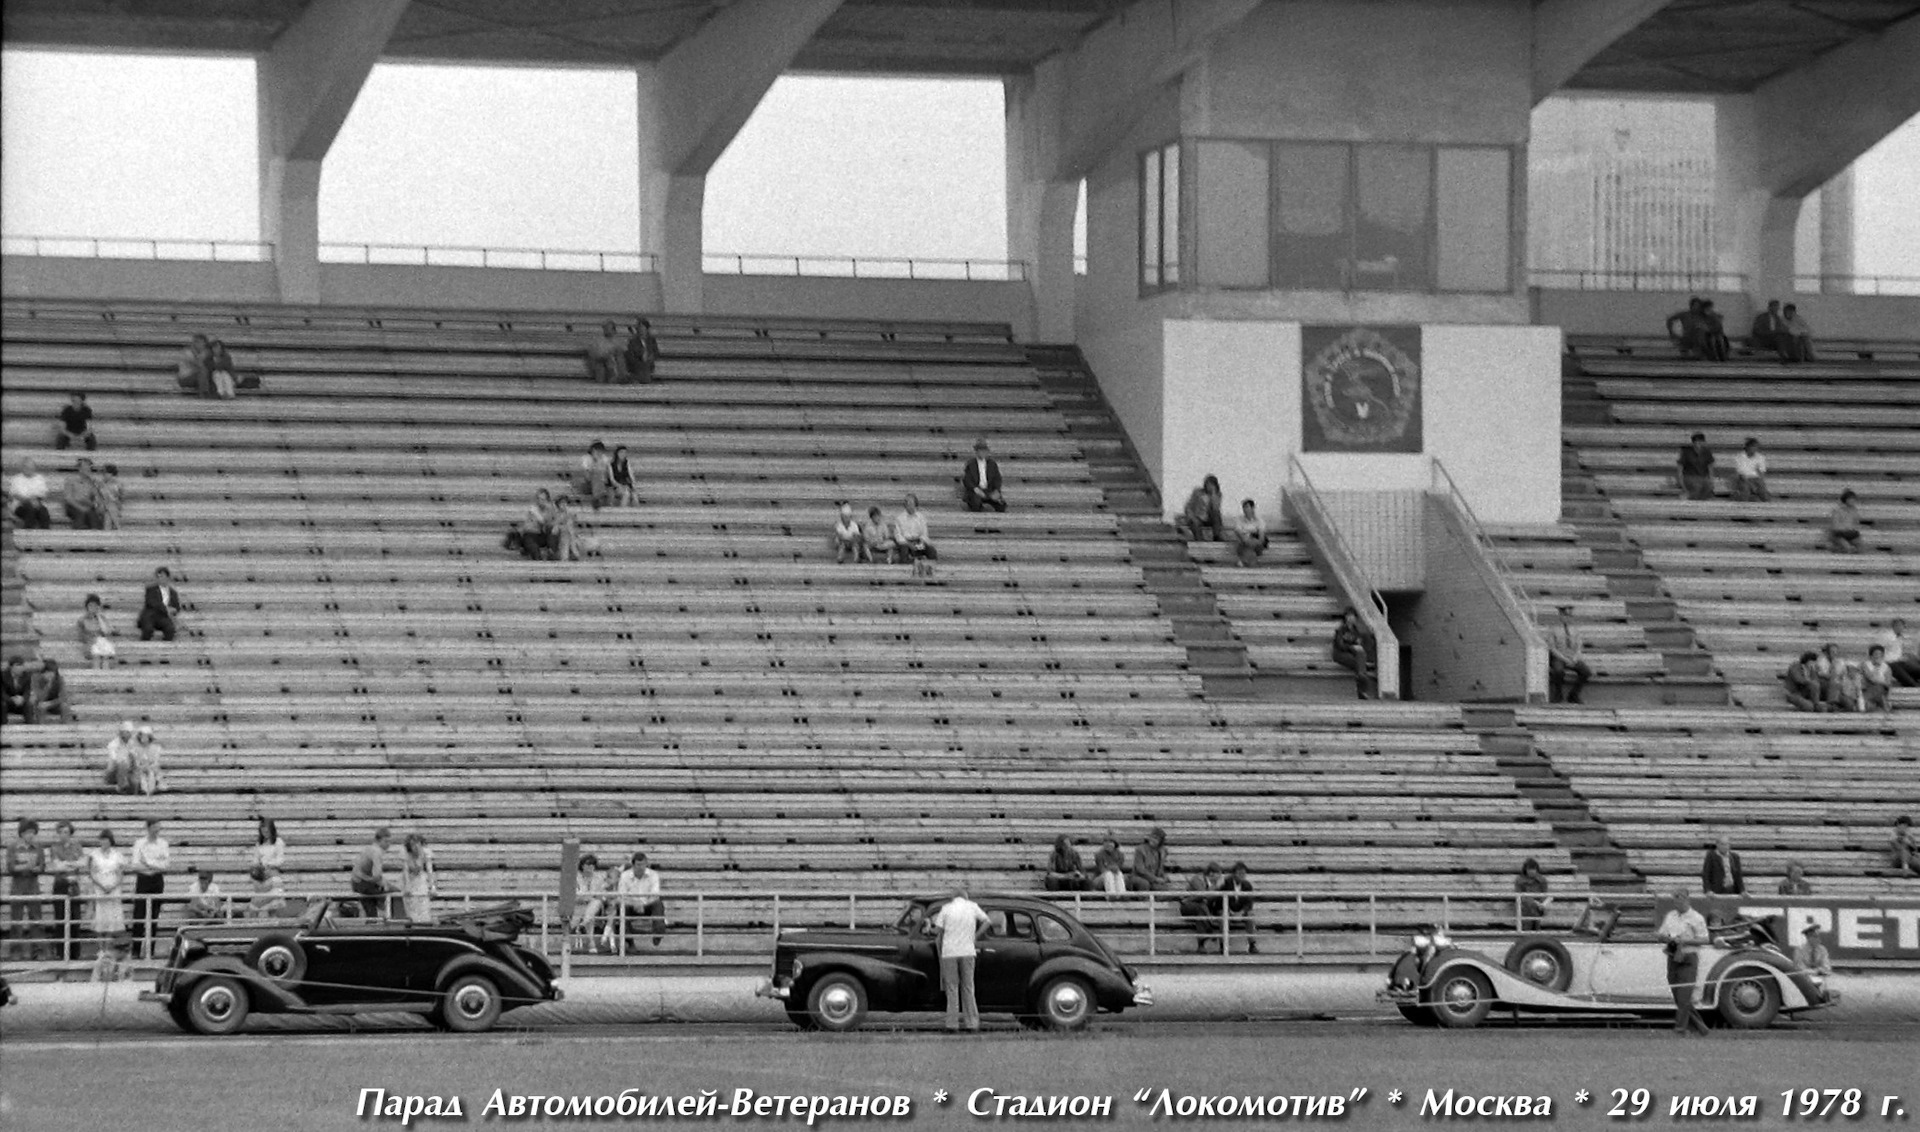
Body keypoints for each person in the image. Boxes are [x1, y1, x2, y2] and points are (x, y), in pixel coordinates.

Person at [926, 884, 988, 1032]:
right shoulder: (972, 906)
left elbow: (938, 931)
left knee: (952, 988)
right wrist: (974, 937)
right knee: (968, 987)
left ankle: (952, 1024)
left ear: (953, 897)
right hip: (967, 951)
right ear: (965, 897)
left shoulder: (946, 908)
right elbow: (987, 921)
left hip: (950, 952)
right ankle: (972, 1023)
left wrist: (929, 926)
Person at [1656, 888, 1712, 1036]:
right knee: (1678, 995)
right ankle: (1701, 1028)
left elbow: (1705, 939)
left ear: (1687, 899)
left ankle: (1680, 1029)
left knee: (1684, 995)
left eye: (1680, 898)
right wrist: (1667, 938)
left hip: (1688, 956)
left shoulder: (1696, 918)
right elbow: (1660, 934)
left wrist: (1686, 940)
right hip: (1673, 955)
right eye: (1675, 898)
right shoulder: (1670, 916)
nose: (1677, 901)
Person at [128, 818, 170, 959]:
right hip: (143, 880)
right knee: (139, 916)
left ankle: (150, 951)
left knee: (154, 917)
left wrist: (148, 863)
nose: (158, 829)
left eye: (158, 826)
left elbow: (166, 865)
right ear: (149, 827)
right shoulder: (139, 843)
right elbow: (135, 865)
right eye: (155, 826)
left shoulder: (163, 843)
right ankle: (135, 950)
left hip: (157, 880)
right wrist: (154, 865)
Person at [5, 819, 45, 961]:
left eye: (33, 833)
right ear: (21, 833)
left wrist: (36, 868)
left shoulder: (38, 847)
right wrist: (26, 866)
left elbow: (42, 867)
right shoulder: (13, 847)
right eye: (28, 832)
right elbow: (10, 868)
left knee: (36, 920)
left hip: (33, 886)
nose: (30, 835)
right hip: (17, 887)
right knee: (16, 921)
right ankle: (15, 951)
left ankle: (38, 951)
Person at [85, 829, 128, 956]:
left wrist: (113, 886)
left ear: (111, 841)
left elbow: (120, 874)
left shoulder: (117, 855)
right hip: (99, 888)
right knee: (100, 918)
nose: (104, 842)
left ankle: (108, 948)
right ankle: (100, 948)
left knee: (111, 919)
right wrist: (102, 886)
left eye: (106, 839)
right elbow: (91, 873)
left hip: (113, 889)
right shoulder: (94, 854)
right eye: (102, 839)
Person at [45, 821, 84, 960]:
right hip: (60, 884)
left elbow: (82, 863)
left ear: (70, 833)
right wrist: (72, 864)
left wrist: (66, 864)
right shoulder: (54, 847)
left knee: (75, 919)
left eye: (66, 832)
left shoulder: (77, 846)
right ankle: (61, 953)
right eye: (61, 832)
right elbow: (56, 866)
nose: (63, 835)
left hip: (74, 884)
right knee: (61, 919)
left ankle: (75, 953)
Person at [615, 852, 665, 951]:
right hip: (630, 905)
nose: (641, 867)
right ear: (633, 865)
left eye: (643, 864)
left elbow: (655, 895)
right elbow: (621, 895)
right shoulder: (625, 876)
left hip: (648, 905)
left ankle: (658, 932)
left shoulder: (653, 875)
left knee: (658, 904)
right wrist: (635, 904)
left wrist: (642, 904)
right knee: (620, 908)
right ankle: (630, 942)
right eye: (638, 865)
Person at [1330, 607, 1378, 699]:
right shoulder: (1341, 630)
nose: (1351, 618)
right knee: (1360, 662)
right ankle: (1362, 688)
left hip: (1353, 656)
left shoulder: (1357, 632)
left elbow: (1362, 643)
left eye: (1353, 616)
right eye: (1349, 616)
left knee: (1360, 660)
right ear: (1345, 617)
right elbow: (1340, 645)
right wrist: (1352, 647)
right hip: (1340, 654)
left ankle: (1361, 679)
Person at [1547, 606, 1591, 706]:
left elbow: (1579, 646)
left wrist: (1575, 657)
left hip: (1572, 657)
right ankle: (1557, 694)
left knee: (1586, 672)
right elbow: (1552, 648)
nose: (1566, 618)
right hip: (1559, 657)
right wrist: (1564, 659)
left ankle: (1574, 694)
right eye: (1564, 616)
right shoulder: (1553, 629)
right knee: (1558, 671)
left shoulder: (1575, 630)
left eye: (1568, 616)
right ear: (1560, 616)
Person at [1181, 862, 1227, 952]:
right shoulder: (1197, 879)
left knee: (1202, 914)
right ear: (1211, 874)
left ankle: (1203, 943)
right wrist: (1216, 888)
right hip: (1188, 906)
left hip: (1204, 909)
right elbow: (1202, 894)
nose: (1220, 878)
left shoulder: (1214, 885)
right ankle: (1210, 928)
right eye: (1219, 875)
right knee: (1201, 907)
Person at [350, 828, 395, 918]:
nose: (388, 845)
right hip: (364, 884)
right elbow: (377, 876)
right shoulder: (377, 852)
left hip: (357, 883)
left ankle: (376, 914)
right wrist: (386, 885)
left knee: (371, 911)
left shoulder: (368, 849)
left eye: (390, 842)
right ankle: (387, 913)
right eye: (386, 842)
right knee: (395, 893)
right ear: (379, 841)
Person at [138, 567, 184, 642]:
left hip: (163, 617)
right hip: (150, 616)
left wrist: (174, 610)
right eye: (158, 577)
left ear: (168, 578)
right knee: (148, 629)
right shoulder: (150, 589)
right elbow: (152, 602)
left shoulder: (173, 593)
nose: (160, 579)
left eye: (162, 576)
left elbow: (177, 607)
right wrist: (166, 609)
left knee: (170, 630)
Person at [572, 853, 608, 950]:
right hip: (578, 906)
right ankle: (590, 942)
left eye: (592, 865)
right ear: (582, 865)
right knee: (590, 914)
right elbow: (575, 895)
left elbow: (602, 895)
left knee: (595, 903)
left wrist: (590, 898)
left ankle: (583, 925)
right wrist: (589, 898)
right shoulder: (575, 878)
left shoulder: (599, 878)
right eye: (587, 864)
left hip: (596, 908)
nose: (590, 867)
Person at [892, 495, 937, 572]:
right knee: (904, 551)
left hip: (918, 540)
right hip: (905, 542)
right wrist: (908, 544)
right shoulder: (899, 518)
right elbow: (898, 535)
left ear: (915, 505)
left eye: (911, 504)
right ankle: (903, 576)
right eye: (907, 504)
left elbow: (924, 533)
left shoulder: (921, 517)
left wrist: (921, 542)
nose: (909, 506)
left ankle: (931, 575)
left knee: (932, 551)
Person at [959, 439, 1005, 513]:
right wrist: (976, 489)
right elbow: (967, 480)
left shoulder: (992, 464)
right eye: (981, 450)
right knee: (975, 502)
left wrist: (996, 490)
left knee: (1001, 505)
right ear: (976, 452)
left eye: (985, 451)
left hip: (988, 490)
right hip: (976, 491)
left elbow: (997, 478)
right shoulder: (971, 464)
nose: (983, 453)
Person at [511, 489, 558, 559]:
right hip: (531, 534)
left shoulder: (550, 509)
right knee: (533, 548)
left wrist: (554, 524)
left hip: (543, 535)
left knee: (552, 530)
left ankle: (552, 553)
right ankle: (531, 552)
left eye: (543, 499)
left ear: (547, 500)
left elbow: (553, 521)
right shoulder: (533, 509)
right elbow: (539, 522)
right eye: (538, 499)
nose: (540, 501)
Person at [8, 459, 53, 530]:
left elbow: (44, 494)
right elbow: (15, 494)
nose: (29, 469)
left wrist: (35, 500)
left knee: (43, 511)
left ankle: (45, 533)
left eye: (31, 467)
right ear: (22, 468)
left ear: (34, 468)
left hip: (37, 503)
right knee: (30, 509)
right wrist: (29, 501)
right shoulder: (16, 479)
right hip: (20, 505)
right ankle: (28, 533)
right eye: (26, 467)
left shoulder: (40, 478)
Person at [401, 833, 437, 923]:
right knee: (411, 905)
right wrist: (407, 886)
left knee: (423, 903)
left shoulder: (426, 852)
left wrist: (432, 886)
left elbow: (429, 870)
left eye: (417, 844)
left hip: (420, 878)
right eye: (413, 845)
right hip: (409, 879)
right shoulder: (406, 853)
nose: (415, 847)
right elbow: (405, 870)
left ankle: (424, 922)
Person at [1222, 862, 1257, 952]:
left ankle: (1252, 944)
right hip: (1228, 910)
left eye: (1244, 873)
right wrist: (1229, 911)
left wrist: (1242, 912)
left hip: (1241, 911)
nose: (1242, 876)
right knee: (1223, 916)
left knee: (1250, 916)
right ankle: (1224, 944)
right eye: (1240, 873)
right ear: (1234, 874)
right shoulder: (1226, 884)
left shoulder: (1247, 885)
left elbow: (1249, 903)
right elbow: (1220, 900)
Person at [1876, 619, 1920, 688]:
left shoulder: (1900, 638)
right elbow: (1877, 649)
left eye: (1903, 627)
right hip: (1890, 664)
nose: (1902, 629)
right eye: (1900, 626)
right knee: (1911, 683)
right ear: (1894, 626)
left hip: (1900, 662)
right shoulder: (1887, 636)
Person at [1179, 476, 1224, 542]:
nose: (1209, 486)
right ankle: (1199, 540)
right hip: (1197, 516)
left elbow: (1215, 508)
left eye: (1211, 485)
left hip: (1208, 517)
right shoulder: (1197, 492)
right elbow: (1188, 506)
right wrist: (1192, 517)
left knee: (1216, 515)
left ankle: (1216, 536)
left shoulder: (1218, 495)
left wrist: (1213, 494)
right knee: (1195, 524)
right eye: (1208, 484)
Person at [60, 459, 103, 529]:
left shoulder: (92, 482)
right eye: (86, 467)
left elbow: (97, 498)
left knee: (93, 516)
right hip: (72, 505)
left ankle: (96, 531)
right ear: (80, 469)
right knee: (80, 513)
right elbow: (68, 499)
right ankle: (79, 531)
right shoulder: (70, 480)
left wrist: (94, 504)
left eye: (89, 467)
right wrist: (81, 507)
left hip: (87, 505)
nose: (88, 469)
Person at [78, 594, 116, 669]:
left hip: (102, 644)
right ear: (87, 607)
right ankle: (96, 672)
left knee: (105, 655)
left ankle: (105, 674)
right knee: (97, 654)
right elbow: (81, 636)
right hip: (90, 644)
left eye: (95, 606)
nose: (93, 608)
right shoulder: (82, 620)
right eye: (90, 606)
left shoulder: (101, 618)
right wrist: (91, 640)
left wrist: (99, 618)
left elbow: (106, 631)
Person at [1128, 827, 1171, 891]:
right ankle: (1144, 900)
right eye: (1152, 837)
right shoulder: (1140, 849)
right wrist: (1155, 879)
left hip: (1154, 879)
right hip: (1139, 877)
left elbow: (1160, 868)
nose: (1153, 840)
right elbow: (1140, 869)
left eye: (1156, 839)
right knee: (1144, 884)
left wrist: (1163, 877)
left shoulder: (1162, 851)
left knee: (1166, 888)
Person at [1515, 857, 1551, 931]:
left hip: (1539, 907)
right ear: (1525, 870)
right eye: (1529, 869)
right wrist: (1534, 903)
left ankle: (1535, 930)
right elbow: (1519, 895)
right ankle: (1533, 929)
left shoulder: (1542, 880)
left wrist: (1542, 903)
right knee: (1528, 907)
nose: (1532, 871)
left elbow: (1544, 894)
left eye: (1533, 869)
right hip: (1525, 906)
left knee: (1535, 909)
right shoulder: (1519, 880)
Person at [27, 658, 68, 724]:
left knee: (64, 706)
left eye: (52, 673)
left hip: (54, 703)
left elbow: (63, 697)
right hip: (40, 703)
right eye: (47, 672)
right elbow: (38, 696)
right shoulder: (35, 678)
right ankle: (41, 727)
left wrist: (49, 703)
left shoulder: (59, 679)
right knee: (40, 707)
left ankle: (65, 727)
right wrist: (47, 686)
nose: (50, 675)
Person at [1676, 433, 1715, 500]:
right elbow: (1680, 466)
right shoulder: (1686, 452)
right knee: (1697, 486)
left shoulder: (1707, 452)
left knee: (1707, 487)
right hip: (1690, 476)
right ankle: (1689, 496)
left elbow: (1710, 466)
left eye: (1701, 441)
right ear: (1693, 443)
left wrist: (1711, 479)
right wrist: (1680, 479)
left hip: (1703, 476)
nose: (1699, 444)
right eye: (1697, 442)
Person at [103, 721, 138, 793]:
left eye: (130, 732)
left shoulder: (133, 744)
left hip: (128, 773)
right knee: (123, 763)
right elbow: (114, 760)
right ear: (121, 733)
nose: (129, 734)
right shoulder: (113, 744)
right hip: (113, 774)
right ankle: (123, 786)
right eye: (127, 732)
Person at [1231, 499, 1268, 567]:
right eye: (1244, 507)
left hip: (1256, 544)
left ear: (1252, 508)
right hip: (1243, 543)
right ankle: (1249, 562)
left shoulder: (1259, 521)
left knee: (1251, 546)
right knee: (1247, 547)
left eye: (1247, 507)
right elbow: (1239, 533)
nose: (1245, 509)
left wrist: (1253, 541)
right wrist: (1247, 540)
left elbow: (1261, 537)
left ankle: (1243, 562)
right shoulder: (1239, 520)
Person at [1730, 438, 1768, 503]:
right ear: (1748, 447)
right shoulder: (1739, 457)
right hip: (1744, 478)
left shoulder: (1761, 457)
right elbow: (1740, 473)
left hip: (1756, 478)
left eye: (1756, 447)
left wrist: (1761, 482)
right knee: (1745, 489)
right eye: (1753, 446)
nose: (1755, 449)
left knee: (1763, 491)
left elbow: (1761, 472)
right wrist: (1751, 484)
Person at [1860, 645, 1894, 713]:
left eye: (1880, 654)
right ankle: (1881, 703)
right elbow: (1870, 678)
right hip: (1867, 688)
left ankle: (1876, 703)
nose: (1877, 656)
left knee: (1879, 688)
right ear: (1871, 656)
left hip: (1882, 689)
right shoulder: (1865, 665)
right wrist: (1881, 679)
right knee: (1876, 687)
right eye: (1875, 654)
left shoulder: (1887, 668)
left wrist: (1881, 682)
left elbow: (1888, 683)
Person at [131, 724, 163, 795]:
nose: (144, 738)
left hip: (152, 770)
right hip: (139, 771)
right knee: (142, 776)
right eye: (142, 735)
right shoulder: (134, 749)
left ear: (150, 737)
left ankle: (151, 792)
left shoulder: (156, 748)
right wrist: (142, 767)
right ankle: (144, 791)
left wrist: (149, 768)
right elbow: (136, 763)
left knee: (151, 774)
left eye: (146, 735)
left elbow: (156, 762)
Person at [624, 319, 660, 384]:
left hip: (648, 363)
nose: (641, 330)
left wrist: (650, 356)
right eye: (639, 328)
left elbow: (656, 352)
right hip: (637, 364)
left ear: (647, 329)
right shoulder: (633, 341)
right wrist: (640, 355)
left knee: (646, 366)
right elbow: (630, 355)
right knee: (642, 367)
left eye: (643, 328)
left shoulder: (651, 340)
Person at [1826, 490, 1862, 554]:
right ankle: (1848, 548)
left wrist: (1852, 528)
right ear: (1846, 500)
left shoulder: (1854, 511)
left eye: (1854, 499)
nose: (1853, 501)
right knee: (1838, 536)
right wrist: (1845, 528)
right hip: (1839, 532)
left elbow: (1856, 523)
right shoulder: (1838, 511)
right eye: (1851, 499)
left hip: (1849, 532)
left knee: (1858, 541)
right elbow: (1835, 525)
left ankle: (1849, 550)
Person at [3, 657, 32, 722]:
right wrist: (11, 699)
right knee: (2, 704)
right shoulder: (3, 676)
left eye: (22, 666)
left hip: (20, 702)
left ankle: (30, 726)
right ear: (11, 667)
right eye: (18, 665)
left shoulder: (26, 676)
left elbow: (27, 690)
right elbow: (2, 693)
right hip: (7, 702)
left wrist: (23, 698)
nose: (21, 668)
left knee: (28, 705)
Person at [96, 463, 124, 530]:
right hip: (102, 506)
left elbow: (120, 497)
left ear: (111, 474)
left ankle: (108, 529)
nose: (103, 475)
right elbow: (98, 496)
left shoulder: (117, 484)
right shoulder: (100, 484)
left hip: (112, 506)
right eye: (103, 473)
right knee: (110, 508)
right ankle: (118, 527)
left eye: (105, 473)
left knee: (109, 512)